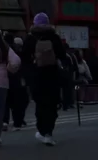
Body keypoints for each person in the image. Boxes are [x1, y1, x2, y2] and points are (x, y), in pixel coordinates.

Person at [22, 12, 65, 146]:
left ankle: (41, 130)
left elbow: (24, 59)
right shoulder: (54, 37)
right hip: (52, 76)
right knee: (52, 105)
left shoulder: (30, 38)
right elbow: (62, 55)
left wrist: (28, 76)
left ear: (34, 23)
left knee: (40, 105)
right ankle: (48, 133)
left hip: (37, 77)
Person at [7, 37, 29, 129]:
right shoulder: (20, 54)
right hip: (18, 80)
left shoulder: (9, 52)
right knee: (21, 101)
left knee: (16, 102)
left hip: (11, 80)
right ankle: (18, 120)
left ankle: (18, 119)